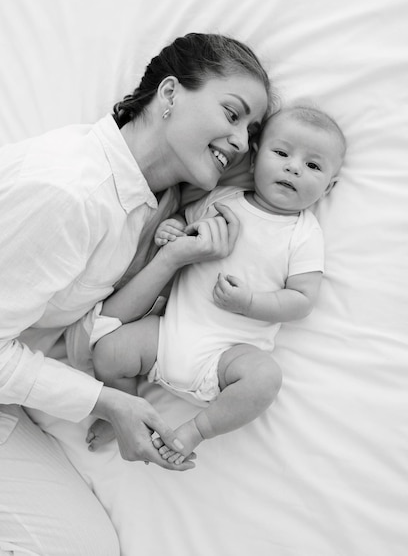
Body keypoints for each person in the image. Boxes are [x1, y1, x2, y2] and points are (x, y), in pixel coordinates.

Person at [0, 33, 270, 555]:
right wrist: (107, 403)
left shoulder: (154, 200)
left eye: (252, 132)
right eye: (232, 114)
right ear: (168, 93)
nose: (240, 141)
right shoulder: (71, 194)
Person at [87, 103, 346, 465]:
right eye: (282, 153)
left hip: (228, 354)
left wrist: (251, 303)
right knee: (108, 351)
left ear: (329, 186)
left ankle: (194, 431)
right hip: (169, 334)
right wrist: (172, 230)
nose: (293, 167)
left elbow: (302, 300)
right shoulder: (223, 200)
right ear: (254, 160)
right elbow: (186, 224)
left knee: (265, 379)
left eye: (313, 166)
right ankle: (123, 409)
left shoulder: (304, 235)